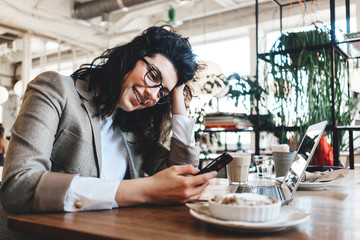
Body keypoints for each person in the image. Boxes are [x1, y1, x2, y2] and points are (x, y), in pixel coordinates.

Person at [1, 25, 217, 214]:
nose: (153, 95)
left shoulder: (134, 129)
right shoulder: (55, 89)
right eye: (153, 76)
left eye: (162, 93)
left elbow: (185, 179)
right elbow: (18, 187)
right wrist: (145, 189)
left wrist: (177, 94)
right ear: (131, 57)